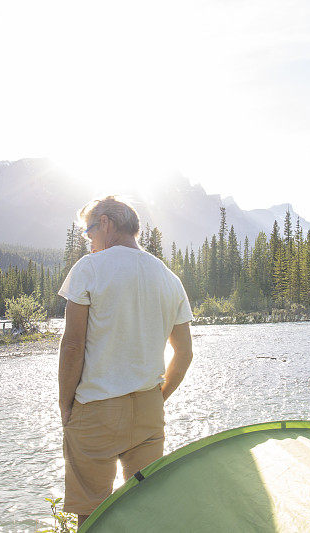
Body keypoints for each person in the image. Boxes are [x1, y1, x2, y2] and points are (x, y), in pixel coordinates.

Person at [58, 196, 194, 527]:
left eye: (89, 233)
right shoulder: (169, 278)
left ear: (106, 224)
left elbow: (73, 345)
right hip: (148, 411)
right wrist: (158, 398)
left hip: (95, 409)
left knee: (92, 516)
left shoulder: (89, 268)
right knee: (145, 511)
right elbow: (185, 353)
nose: (89, 242)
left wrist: (66, 405)